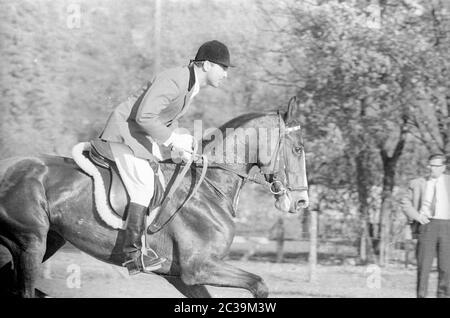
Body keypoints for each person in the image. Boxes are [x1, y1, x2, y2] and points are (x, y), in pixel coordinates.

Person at [98, 40, 232, 275]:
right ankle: (132, 256)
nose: (226, 74)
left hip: (140, 136)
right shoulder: (175, 79)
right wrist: (172, 140)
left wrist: (177, 143)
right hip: (124, 133)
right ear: (208, 65)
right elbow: (145, 116)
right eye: (224, 68)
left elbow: (166, 118)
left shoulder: (189, 85)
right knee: (143, 185)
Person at [401, 153, 450, 298]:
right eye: (430, 165)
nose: (432, 169)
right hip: (427, 225)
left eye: (436, 166)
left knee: (446, 268)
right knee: (423, 267)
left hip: (447, 226)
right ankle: (421, 295)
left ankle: (443, 295)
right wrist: (416, 216)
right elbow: (405, 203)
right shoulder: (418, 183)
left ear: (443, 167)